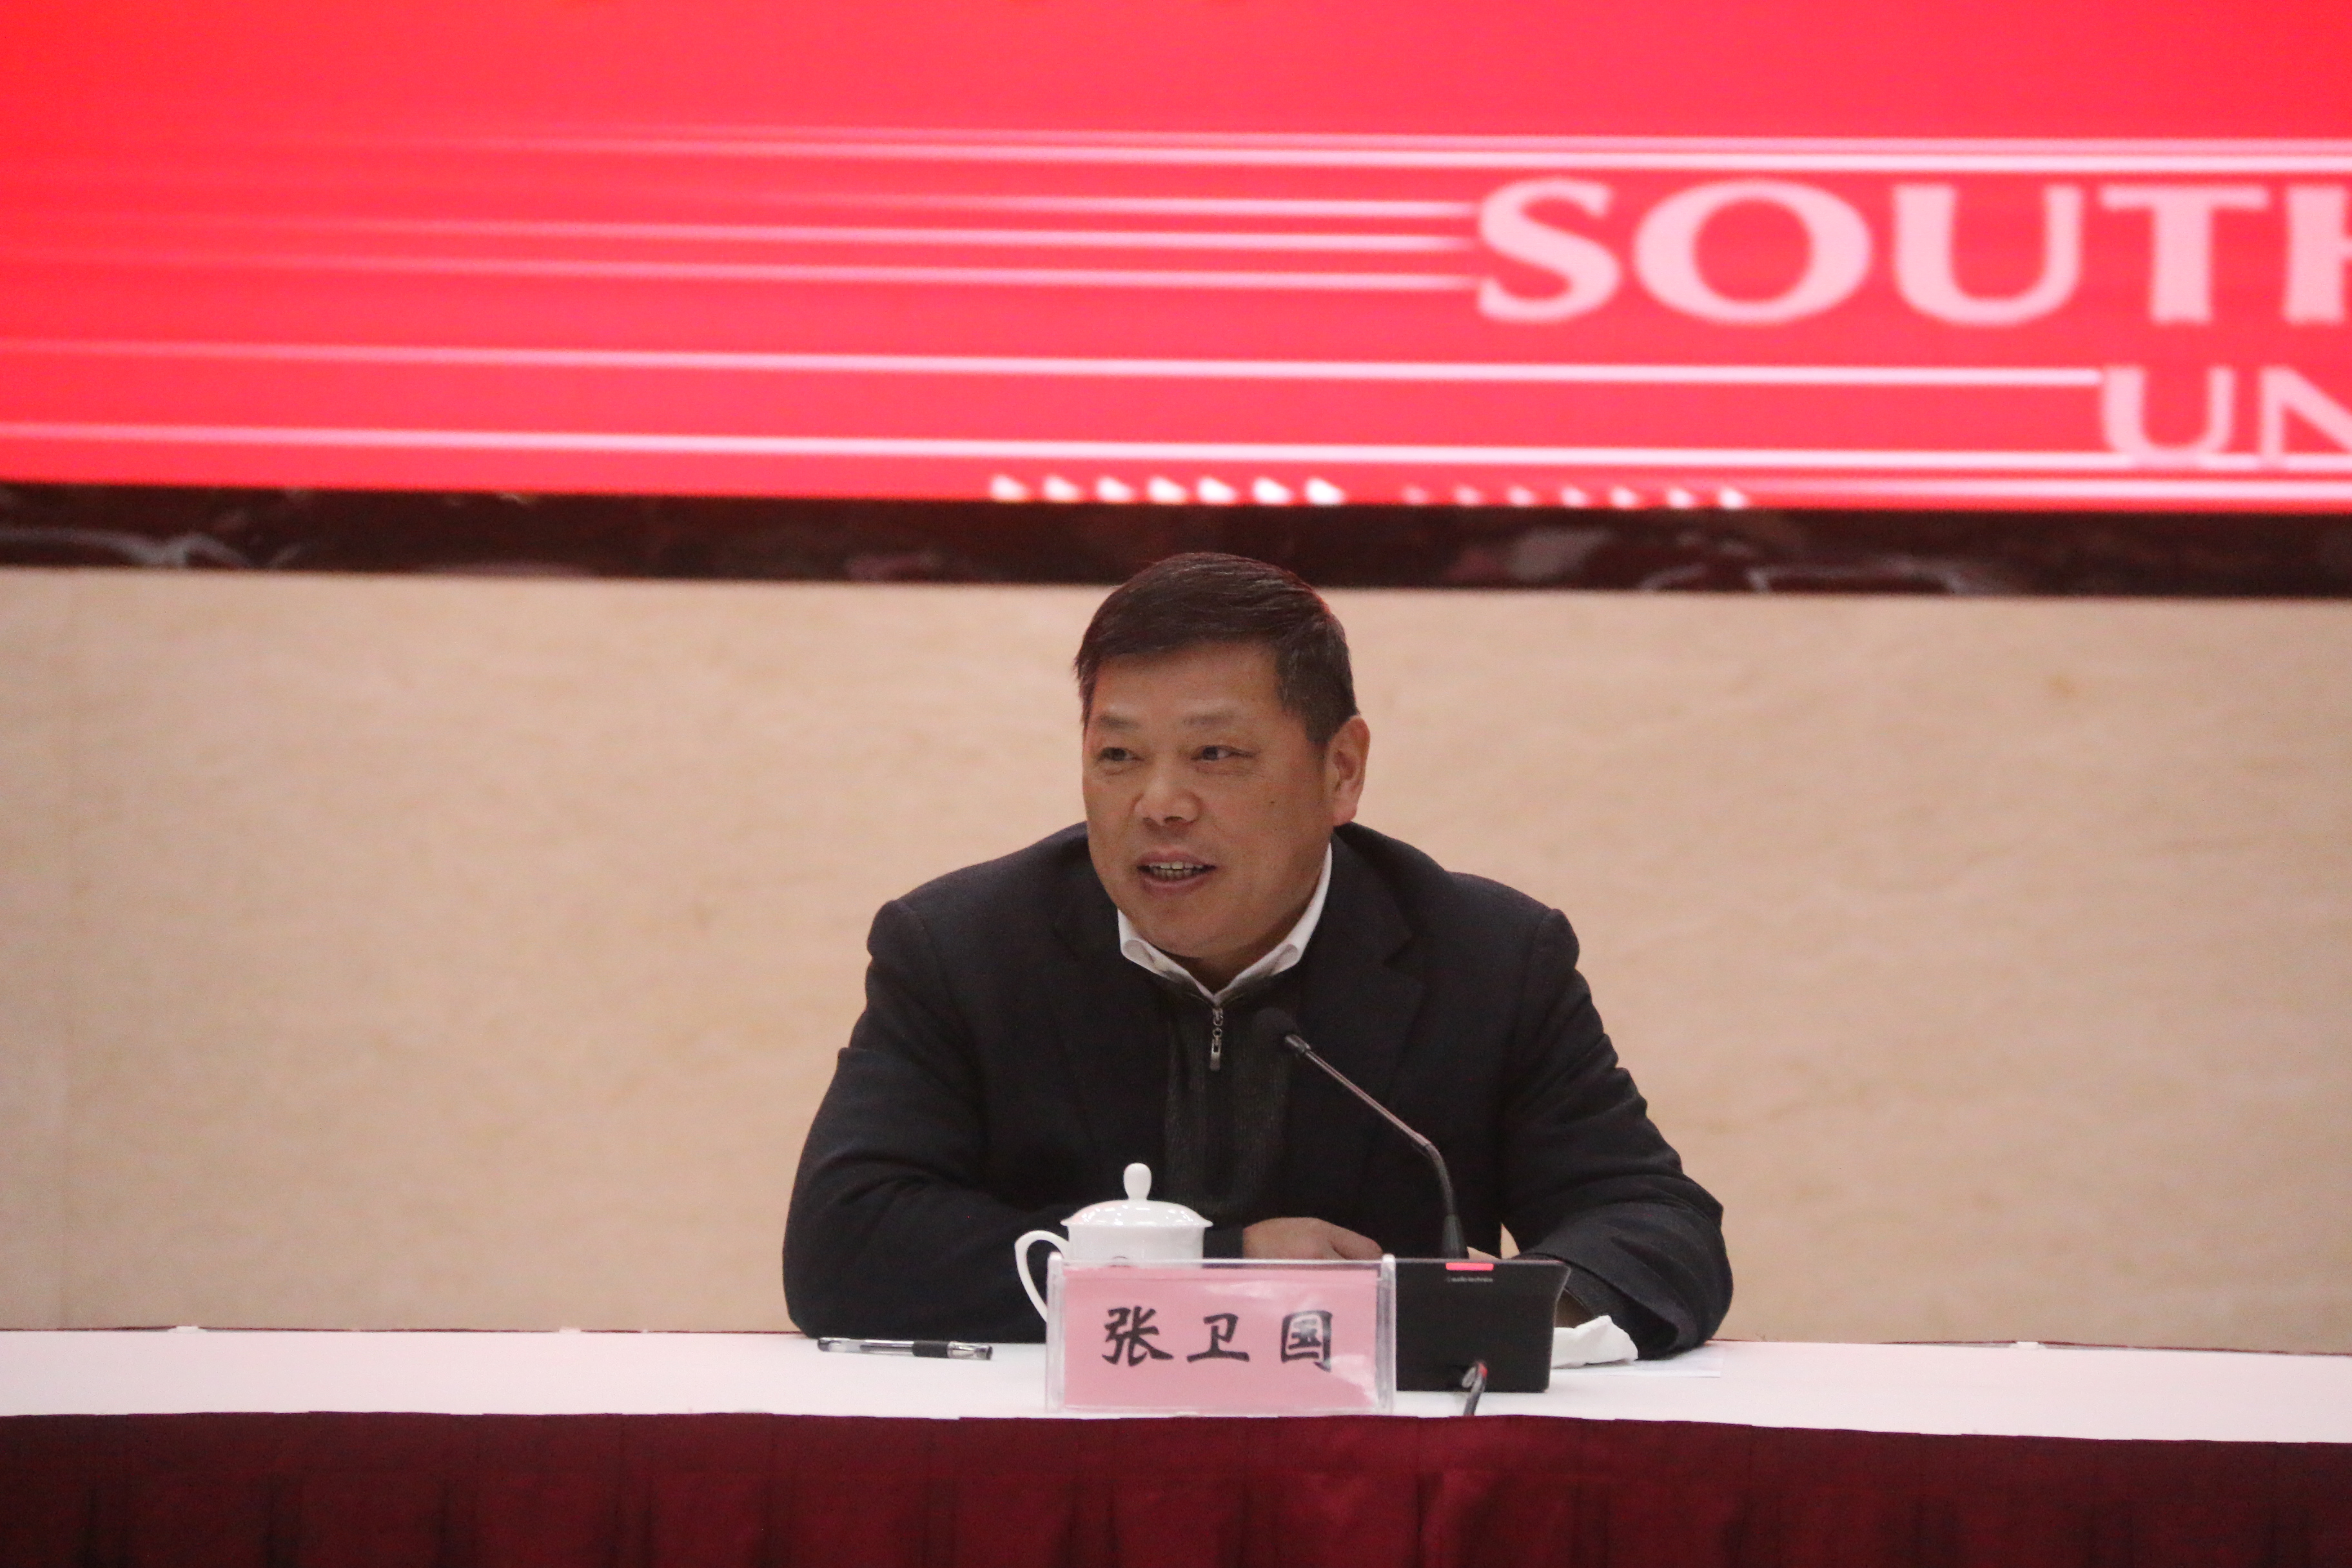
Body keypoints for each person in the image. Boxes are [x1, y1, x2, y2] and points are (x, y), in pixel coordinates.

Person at [783, 553, 1731, 1352]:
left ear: (1341, 771)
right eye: (1117, 757)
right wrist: (1222, 1271)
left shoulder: (1486, 958)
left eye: (1217, 756)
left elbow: (1656, 1227)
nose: (1159, 803)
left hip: (1370, 1474)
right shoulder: (964, 948)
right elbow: (847, 1247)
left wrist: (1491, 1317)